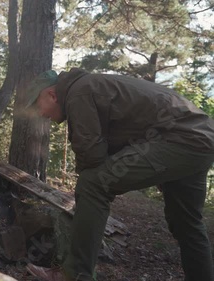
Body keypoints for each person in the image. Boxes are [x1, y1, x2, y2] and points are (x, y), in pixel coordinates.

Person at [24, 68, 214, 281]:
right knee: (186, 223)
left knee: (92, 184)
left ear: (52, 94)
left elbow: (92, 157)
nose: (41, 113)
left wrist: (84, 200)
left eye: (38, 104)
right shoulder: (91, 86)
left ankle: (74, 274)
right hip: (201, 138)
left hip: (179, 138)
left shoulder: (79, 92)